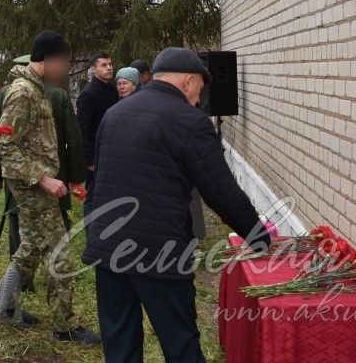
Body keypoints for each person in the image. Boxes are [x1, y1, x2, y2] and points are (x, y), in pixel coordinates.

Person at [84, 48, 272, 363]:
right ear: (187, 82)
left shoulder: (114, 113)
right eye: (199, 91)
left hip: (108, 249)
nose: (199, 101)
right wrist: (259, 237)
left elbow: (102, 177)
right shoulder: (189, 121)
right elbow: (221, 191)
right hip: (158, 254)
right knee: (180, 344)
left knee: (119, 345)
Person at [0, 30, 100, 346]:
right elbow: (4, 146)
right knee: (60, 254)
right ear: (49, 60)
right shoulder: (23, 93)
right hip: (32, 189)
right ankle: (65, 326)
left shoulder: (39, 90)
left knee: (30, 250)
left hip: (36, 188)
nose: (65, 68)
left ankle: (5, 308)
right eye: (63, 61)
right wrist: (42, 178)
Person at [0, 54, 86, 260]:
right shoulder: (59, 94)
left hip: (18, 173)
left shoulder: (4, 94)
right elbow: (73, 139)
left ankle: (24, 280)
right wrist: (76, 177)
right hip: (54, 173)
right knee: (57, 222)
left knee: (18, 220)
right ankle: (54, 267)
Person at [76, 52, 118, 218]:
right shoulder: (88, 94)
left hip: (112, 152)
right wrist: (90, 159)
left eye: (110, 64)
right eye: (103, 65)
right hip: (96, 155)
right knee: (93, 196)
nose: (108, 68)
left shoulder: (113, 89)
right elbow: (83, 129)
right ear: (93, 69)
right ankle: (91, 234)